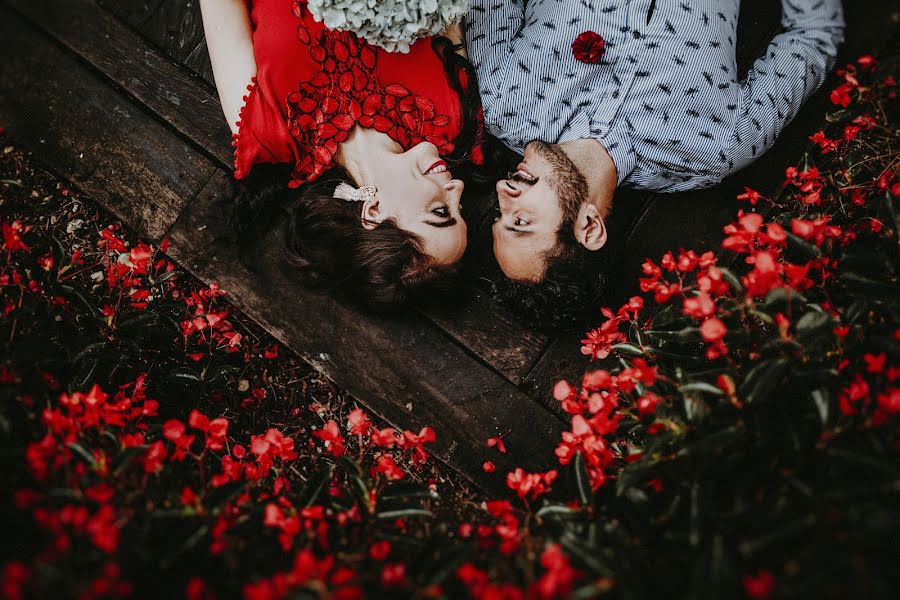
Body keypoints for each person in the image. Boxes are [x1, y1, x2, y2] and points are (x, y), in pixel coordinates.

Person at [466, 0, 845, 323]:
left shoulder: (500, 99)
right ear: (589, 227)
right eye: (519, 221)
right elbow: (813, 35)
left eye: (501, 215)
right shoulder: (717, 147)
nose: (503, 190)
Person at [200, 0, 482, 307]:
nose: (458, 189)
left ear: (374, 211)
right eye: (460, 210)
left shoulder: (271, 133)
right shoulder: (455, 117)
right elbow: (451, 12)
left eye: (440, 211)